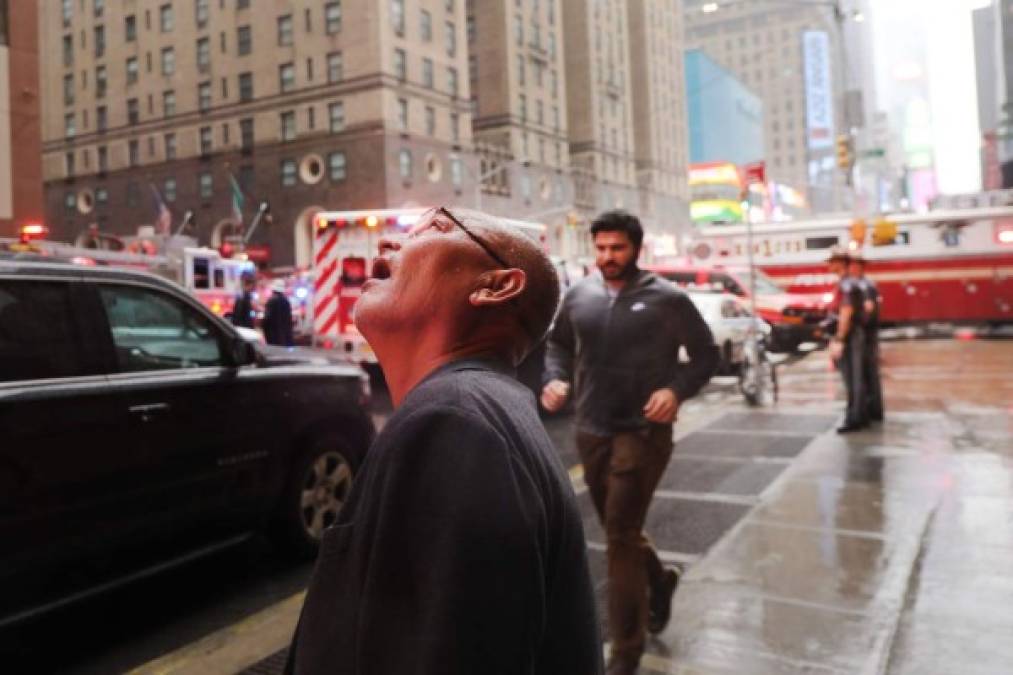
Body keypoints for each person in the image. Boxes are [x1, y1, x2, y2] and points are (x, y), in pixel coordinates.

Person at [284, 207, 603, 675]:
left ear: (496, 286)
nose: (388, 244)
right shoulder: (480, 410)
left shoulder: (454, 421)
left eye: (433, 228)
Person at [541, 210, 719, 675]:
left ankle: (626, 651)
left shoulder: (668, 299)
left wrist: (675, 391)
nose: (607, 257)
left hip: (643, 432)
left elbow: (706, 356)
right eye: (600, 248)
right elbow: (557, 347)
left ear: (636, 248)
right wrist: (556, 379)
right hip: (590, 427)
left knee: (618, 534)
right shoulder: (579, 295)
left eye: (617, 248)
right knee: (622, 529)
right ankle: (659, 582)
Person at [826, 247, 868, 433]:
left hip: (850, 335)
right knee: (855, 377)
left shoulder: (846, 285)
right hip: (854, 333)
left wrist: (840, 339)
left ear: (840, 263)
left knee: (852, 378)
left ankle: (854, 418)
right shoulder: (849, 283)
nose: (828, 264)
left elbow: (846, 312)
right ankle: (860, 415)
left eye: (832, 260)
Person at [848, 251, 884, 422]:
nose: (852, 268)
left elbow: (869, 308)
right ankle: (873, 410)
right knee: (869, 373)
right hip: (868, 333)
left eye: (855, 265)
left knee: (865, 373)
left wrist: (860, 323)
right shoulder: (867, 283)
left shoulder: (864, 285)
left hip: (865, 334)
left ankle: (868, 410)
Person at [262, 278, 294, 346]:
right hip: (285, 336)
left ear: (273, 290)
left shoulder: (271, 301)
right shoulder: (286, 302)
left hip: (273, 336)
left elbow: (266, 320)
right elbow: (289, 320)